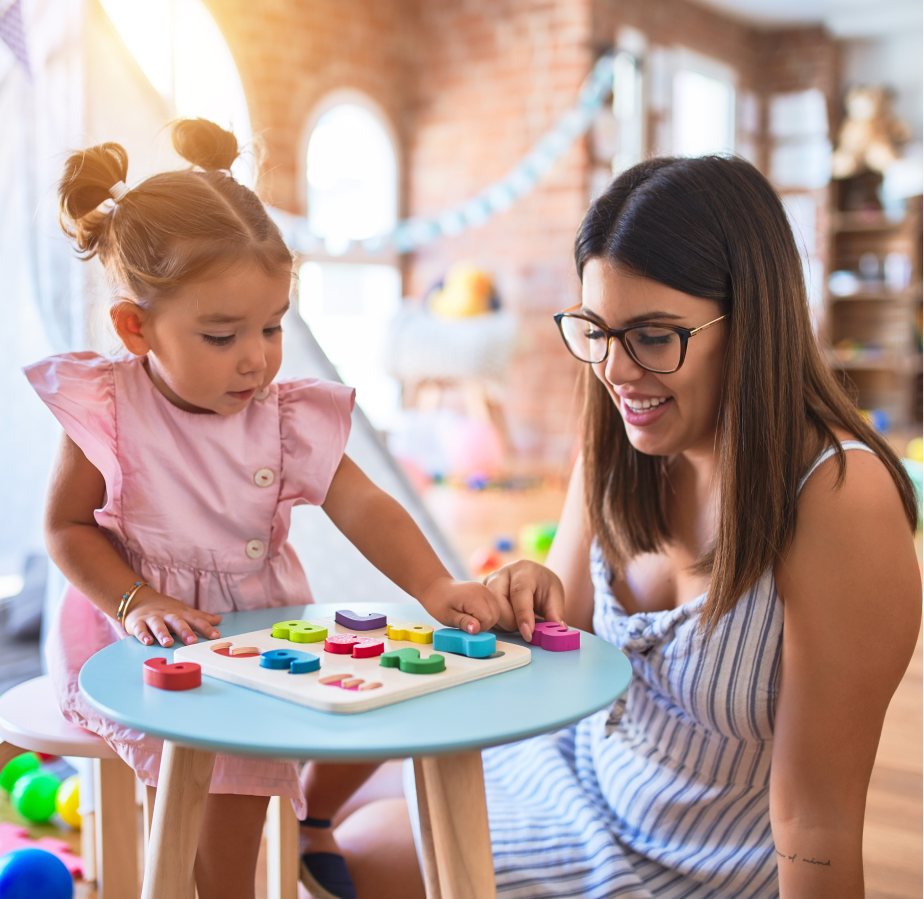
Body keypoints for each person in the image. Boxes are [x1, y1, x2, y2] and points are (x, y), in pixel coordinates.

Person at [338, 156, 921, 899]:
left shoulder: (838, 495)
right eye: (596, 330)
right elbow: (565, 646)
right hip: (575, 775)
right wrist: (529, 595)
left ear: (752, 321)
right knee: (327, 804)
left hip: (690, 867)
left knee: (361, 848)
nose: (615, 370)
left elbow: (818, 818)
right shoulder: (620, 439)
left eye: (652, 335)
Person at [26, 118, 523, 899]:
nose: (256, 356)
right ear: (136, 328)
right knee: (184, 811)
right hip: (133, 634)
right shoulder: (109, 405)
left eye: (272, 325)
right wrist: (137, 599)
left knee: (247, 811)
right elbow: (64, 526)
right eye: (222, 335)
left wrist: (433, 586)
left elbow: (364, 505)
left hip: (255, 631)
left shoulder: (285, 415)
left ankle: (273, 852)